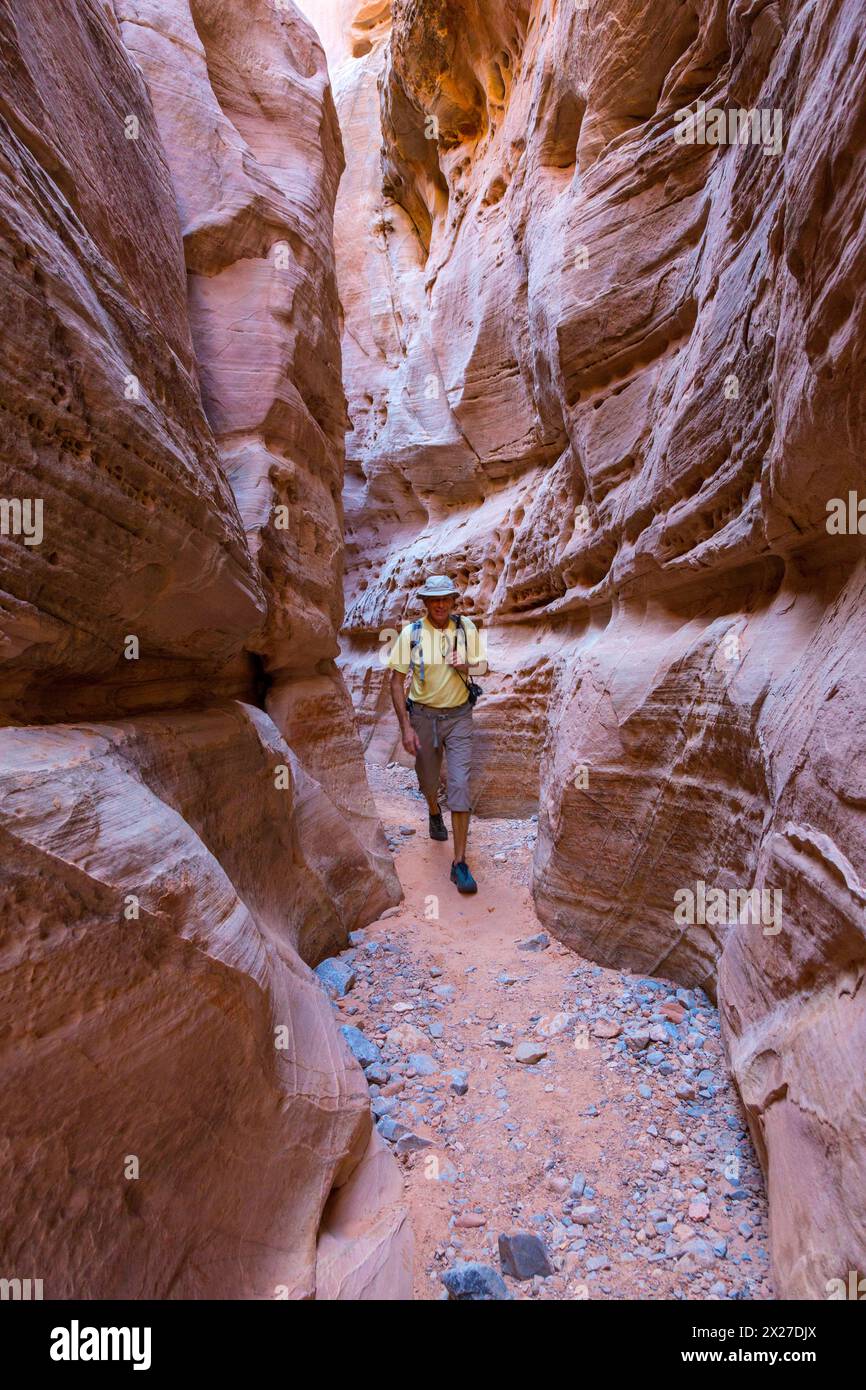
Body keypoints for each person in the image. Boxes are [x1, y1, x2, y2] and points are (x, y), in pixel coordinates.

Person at [386, 575, 484, 893]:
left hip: (459, 718)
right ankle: (433, 810)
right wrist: (406, 727)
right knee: (429, 781)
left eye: (445, 598)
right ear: (425, 602)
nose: (440, 604)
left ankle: (459, 863)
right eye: (434, 599)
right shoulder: (411, 634)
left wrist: (466, 665)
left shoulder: (465, 629)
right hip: (423, 717)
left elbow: (484, 667)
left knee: (458, 784)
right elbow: (395, 681)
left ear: (453, 600)